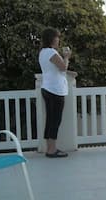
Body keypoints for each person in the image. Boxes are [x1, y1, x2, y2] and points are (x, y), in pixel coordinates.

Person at [39, 28, 71, 158]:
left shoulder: (42, 52)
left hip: (47, 88)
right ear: (52, 39)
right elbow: (63, 67)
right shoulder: (51, 52)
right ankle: (52, 150)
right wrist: (66, 57)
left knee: (50, 119)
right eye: (57, 37)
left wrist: (70, 72)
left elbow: (53, 70)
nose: (58, 40)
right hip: (55, 90)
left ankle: (49, 148)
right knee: (55, 120)